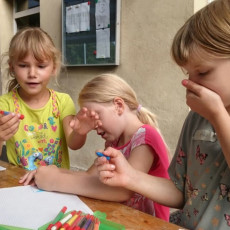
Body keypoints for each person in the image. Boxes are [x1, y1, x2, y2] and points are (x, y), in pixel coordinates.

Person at [96, 0, 230, 229]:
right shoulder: (197, 119)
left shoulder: (212, 114)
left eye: (203, 72)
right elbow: (179, 192)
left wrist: (218, 116)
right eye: (188, 73)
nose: (189, 83)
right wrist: (131, 177)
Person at [20, 73, 170, 221]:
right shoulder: (114, 141)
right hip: (124, 218)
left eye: (97, 115)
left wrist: (56, 181)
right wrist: (52, 171)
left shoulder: (145, 137)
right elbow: (90, 176)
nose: (94, 127)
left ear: (118, 106)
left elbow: (124, 191)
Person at [0, 27, 100, 171]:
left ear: (54, 68)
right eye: (23, 65)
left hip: (55, 184)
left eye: (41, 66)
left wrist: (80, 132)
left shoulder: (63, 101)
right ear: (12, 68)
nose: (32, 73)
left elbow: (73, 144)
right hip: (19, 184)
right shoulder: (4, 104)